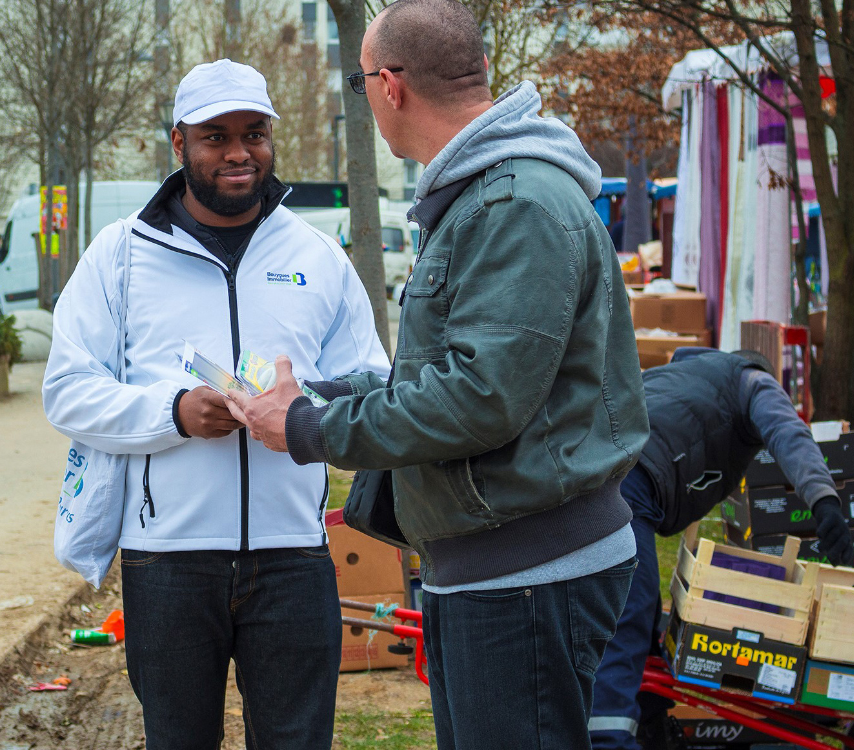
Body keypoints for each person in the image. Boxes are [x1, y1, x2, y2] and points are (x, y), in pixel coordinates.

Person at [226, 2, 650, 747]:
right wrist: (320, 396)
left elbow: (479, 399)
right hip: (492, 567)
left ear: (390, 86)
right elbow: (455, 374)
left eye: (360, 83)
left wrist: (308, 428)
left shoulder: (513, 203)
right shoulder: (478, 199)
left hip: (528, 571)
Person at [42, 59, 390, 750]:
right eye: (215, 136)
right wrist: (173, 414)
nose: (238, 153)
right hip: (167, 561)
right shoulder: (120, 255)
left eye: (254, 133)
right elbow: (67, 391)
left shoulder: (317, 256)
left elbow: (375, 381)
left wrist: (299, 411)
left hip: (294, 555)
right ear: (179, 144)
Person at [588, 347, 854, 750]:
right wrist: (825, 502)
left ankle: (651, 721)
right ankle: (609, 739)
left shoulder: (686, 373)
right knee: (631, 609)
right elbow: (790, 433)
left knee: (641, 614)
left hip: (591, 473)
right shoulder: (752, 382)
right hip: (626, 487)